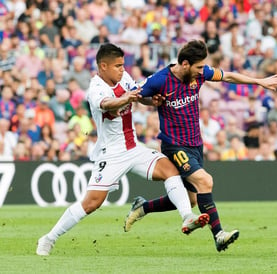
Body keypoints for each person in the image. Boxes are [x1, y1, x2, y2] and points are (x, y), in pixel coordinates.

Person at [36, 43, 209, 256]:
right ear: (103, 66)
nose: (121, 69)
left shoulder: (124, 78)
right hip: (112, 154)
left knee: (170, 170)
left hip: (134, 148)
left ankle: (187, 217)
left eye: (122, 65)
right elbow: (107, 104)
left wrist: (151, 100)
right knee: (91, 203)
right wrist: (124, 99)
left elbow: (137, 95)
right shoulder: (96, 88)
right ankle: (49, 238)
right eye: (117, 66)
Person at [124, 40, 277, 252]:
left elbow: (227, 76)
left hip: (195, 145)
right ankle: (219, 235)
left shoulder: (199, 74)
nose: (203, 71)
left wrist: (259, 81)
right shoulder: (160, 80)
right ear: (184, 64)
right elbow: (136, 95)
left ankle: (142, 207)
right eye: (199, 67)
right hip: (174, 145)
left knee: (190, 200)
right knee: (205, 181)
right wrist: (151, 101)